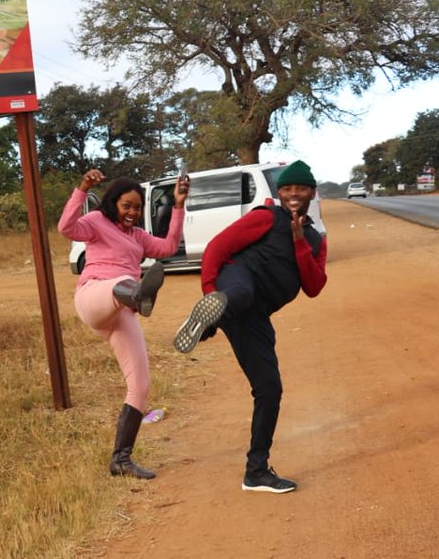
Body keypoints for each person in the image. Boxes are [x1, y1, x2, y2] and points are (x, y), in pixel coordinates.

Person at [172, 160, 327, 493]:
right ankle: (210, 316)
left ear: (312, 192)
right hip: (235, 282)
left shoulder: (315, 240)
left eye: (301, 188)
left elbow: (314, 286)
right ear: (279, 193)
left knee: (270, 389)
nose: (294, 194)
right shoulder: (266, 217)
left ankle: (255, 472)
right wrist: (209, 291)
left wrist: (299, 241)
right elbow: (217, 247)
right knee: (241, 293)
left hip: (255, 316)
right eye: (287, 188)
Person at [58, 168, 190, 479]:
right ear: (113, 202)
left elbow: (168, 247)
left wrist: (178, 205)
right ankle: (138, 293)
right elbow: (66, 227)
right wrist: (82, 188)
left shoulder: (138, 237)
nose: (132, 212)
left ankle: (121, 460)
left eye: (137, 207)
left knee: (140, 385)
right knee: (122, 282)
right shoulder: (96, 222)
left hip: (122, 312)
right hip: (94, 297)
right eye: (126, 205)